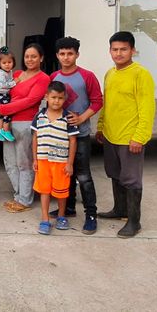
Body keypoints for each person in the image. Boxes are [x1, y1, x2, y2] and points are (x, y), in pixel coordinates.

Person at [96, 31, 155, 238]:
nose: (119, 53)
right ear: (110, 51)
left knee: (131, 180)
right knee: (115, 173)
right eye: (115, 49)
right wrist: (101, 126)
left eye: (124, 49)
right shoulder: (110, 74)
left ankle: (134, 222)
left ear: (133, 50)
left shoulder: (141, 74)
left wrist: (139, 137)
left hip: (130, 138)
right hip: (111, 135)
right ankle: (119, 209)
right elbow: (107, 104)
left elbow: (147, 109)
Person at [49, 36, 103, 235]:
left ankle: (91, 215)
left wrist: (81, 118)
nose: (66, 57)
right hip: (59, 136)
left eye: (70, 53)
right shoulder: (54, 76)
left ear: (77, 54)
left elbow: (97, 101)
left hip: (81, 135)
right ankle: (69, 208)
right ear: (57, 55)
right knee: (66, 173)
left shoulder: (87, 76)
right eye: (62, 53)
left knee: (84, 175)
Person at [0, 43, 50, 213]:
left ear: (41, 58)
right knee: (10, 162)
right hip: (8, 124)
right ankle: (18, 195)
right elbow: (3, 91)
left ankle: (25, 200)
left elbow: (30, 101)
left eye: (34, 56)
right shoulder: (17, 74)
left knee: (24, 163)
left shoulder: (43, 78)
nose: (30, 59)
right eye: (27, 56)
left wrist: (3, 109)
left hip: (26, 124)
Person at [31, 81, 79, 235]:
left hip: (61, 162)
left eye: (60, 98)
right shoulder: (39, 116)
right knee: (44, 190)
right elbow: (35, 138)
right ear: (46, 97)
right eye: (53, 97)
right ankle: (45, 219)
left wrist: (70, 163)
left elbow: (73, 141)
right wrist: (35, 159)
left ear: (65, 98)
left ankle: (61, 216)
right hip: (43, 161)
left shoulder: (68, 118)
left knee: (61, 191)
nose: (56, 101)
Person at [0, 47, 17, 142]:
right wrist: (14, 82)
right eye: (4, 63)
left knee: (2, 113)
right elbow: (3, 85)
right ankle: (6, 130)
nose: (7, 64)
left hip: (4, 94)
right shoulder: (1, 73)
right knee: (8, 110)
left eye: (9, 62)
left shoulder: (10, 72)